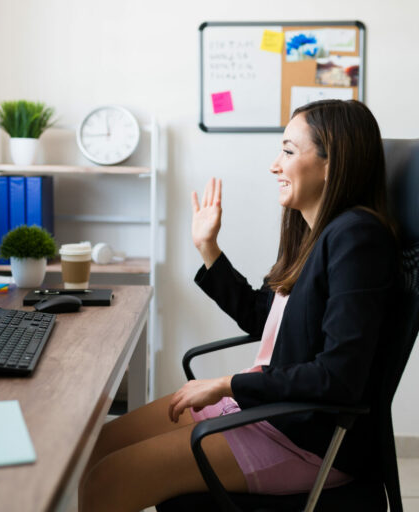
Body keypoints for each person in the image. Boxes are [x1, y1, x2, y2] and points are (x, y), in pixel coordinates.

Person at [78, 99, 398, 512]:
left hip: (304, 437)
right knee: (97, 448)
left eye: (287, 151)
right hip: (269, 408)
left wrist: (227, 383)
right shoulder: (315, 234)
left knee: (108, 479)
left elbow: (338, 378)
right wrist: (208, 249)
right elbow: (264, 318)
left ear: (330, 163)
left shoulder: (357, 238)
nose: (274, 166)